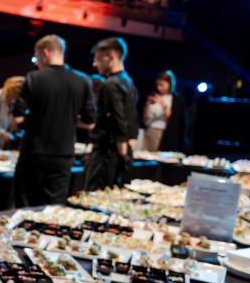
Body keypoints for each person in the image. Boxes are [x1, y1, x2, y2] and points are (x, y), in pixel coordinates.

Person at [12, 35, 96, 207]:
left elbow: (16, 118)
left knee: (26, 207)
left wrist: (38, 116)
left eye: (36, 57)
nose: (36, 62)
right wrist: (67, 118)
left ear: (45, 53)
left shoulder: (34, 78)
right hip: (63, 155)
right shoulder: (82, 80)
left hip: (33, 153)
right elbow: (89, 122)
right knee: (53, 207)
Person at [84, 36, 139, 191]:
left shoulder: (111, 85)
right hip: (117, 153)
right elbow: (132, 122)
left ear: (111, 57)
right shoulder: (129, 82)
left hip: (105, 154)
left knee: (94, 195)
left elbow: (118, 121)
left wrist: (123, 155)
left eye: (98, 58)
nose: (95, 63)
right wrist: (127, 153)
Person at [141, 70, 188, 152]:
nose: (159, 88)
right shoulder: (152, 95)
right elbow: (144, 120)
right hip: (148, 131)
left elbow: (173, 121)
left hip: (162, 134)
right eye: (157, 84)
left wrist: (163, 104)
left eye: (162, 85)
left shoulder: (176, 100)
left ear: (170, 84)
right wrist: (147, 106)